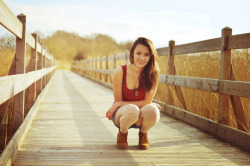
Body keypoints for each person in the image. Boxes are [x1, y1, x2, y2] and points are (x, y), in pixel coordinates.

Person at [106, 37, 161, 150]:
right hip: (122, 115)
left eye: (146, 54)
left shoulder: (154, 73)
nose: (142, 58)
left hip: (139, 113)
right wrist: (117, 105)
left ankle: (143, 134)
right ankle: (122, 133)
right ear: (132, 54)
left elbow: (147, 102)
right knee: (132, 110)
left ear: (151, 56)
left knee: (153, 111)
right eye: (138, 53)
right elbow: (119, 101)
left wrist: (118, 104)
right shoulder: (120, 72)